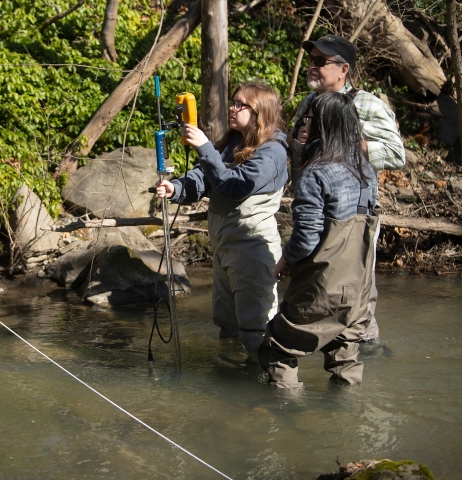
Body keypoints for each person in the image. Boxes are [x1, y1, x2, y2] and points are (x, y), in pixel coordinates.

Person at [288, 34, 406, 344]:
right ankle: (323, 348)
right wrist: (298, 143)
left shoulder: (366, 103)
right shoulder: (308, 102)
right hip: (313, 210)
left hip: (353, 216)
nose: (312, 67)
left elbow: (396, 154)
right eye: (311, 61)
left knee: (356, 292)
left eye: (319, 62)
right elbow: (300, 154)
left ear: (344, 69)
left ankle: (364, 354)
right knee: (314, 286)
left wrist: (348, 143)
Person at [155, 81, 288, 355]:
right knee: (227, 326)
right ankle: (229, 387)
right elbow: (206, 177)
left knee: (256, 329)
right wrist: (177, 188)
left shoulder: (272, 151)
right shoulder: (232, 143)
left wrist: (205, 148)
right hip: (224, 250)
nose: (232, 108)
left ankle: (264, 387)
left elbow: (234, 185)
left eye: (241, 104)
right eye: (233, 101)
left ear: (260, 111)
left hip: (252, 250)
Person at [259, 92, 379, 388]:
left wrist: (285, 260)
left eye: (309, 118)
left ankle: (287, 421)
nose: (303, 123)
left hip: (323, 284)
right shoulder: (367, 171)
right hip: (359, 286)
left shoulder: (315, 173)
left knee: (278, 347)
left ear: (323, 125)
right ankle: (346, 424)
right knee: (345, 355)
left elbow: (306, 237)